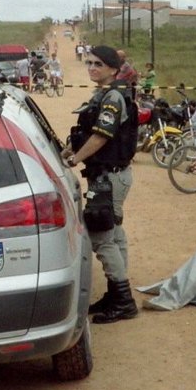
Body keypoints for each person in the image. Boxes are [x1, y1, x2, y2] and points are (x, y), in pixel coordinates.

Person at [63, 45, 139, 323]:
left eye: (98, 64)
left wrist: (75, 159)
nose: (92, 68)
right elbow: (87, 133)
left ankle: (123, 299)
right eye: (89, 63)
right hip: (109, 175)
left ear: (112, 69)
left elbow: (101, 136)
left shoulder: (112, 98)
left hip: (109, 177)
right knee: (114, 232)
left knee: (101, 236)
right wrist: (70, 150)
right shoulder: (107, 95)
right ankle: (115, 294)